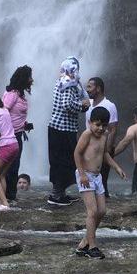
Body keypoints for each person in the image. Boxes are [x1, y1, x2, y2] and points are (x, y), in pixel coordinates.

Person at [73, 106, 126, 259]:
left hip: (97, 177)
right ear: (90, 122)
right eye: (97, 124)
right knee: (92, 211)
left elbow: (104, 154)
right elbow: (77, 153)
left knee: (102, 211)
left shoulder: (104, 136)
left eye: (104, 125)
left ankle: (84, 243)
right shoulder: (87, 135)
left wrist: (117, 167)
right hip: (85, 176)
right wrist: (82, 174)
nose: (100, 128)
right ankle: (93, 246)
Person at [47, 56, 91, 206]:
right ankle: (56, 195)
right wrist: (82, 106)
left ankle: (59, 193)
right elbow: (66, 105)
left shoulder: (61, 80)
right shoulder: (69, 83)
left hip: (58, 128)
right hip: (63, 129)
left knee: (60, 161)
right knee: (64, 161)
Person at [2, 65, 32, 202]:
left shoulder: (20, 95)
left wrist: (24, 125)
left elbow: (14, 115)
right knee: (9, 167)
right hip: (9, 136)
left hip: (18, 134)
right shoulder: (12, 94)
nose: (32, 80)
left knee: (14, 167)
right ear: (23, 79)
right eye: (29, 77)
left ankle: (11, 196)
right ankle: (6, 197)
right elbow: (3, 113)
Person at [84, 77, 118, 197]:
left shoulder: (109, 105)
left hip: (104, 148)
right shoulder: (88, 105)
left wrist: (107, 150)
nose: (86, 89)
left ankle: (104, 208)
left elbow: (113, 129)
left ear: (98, 88)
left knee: (102, 181)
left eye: (89, 87)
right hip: (89, 148)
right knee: (89, 179)